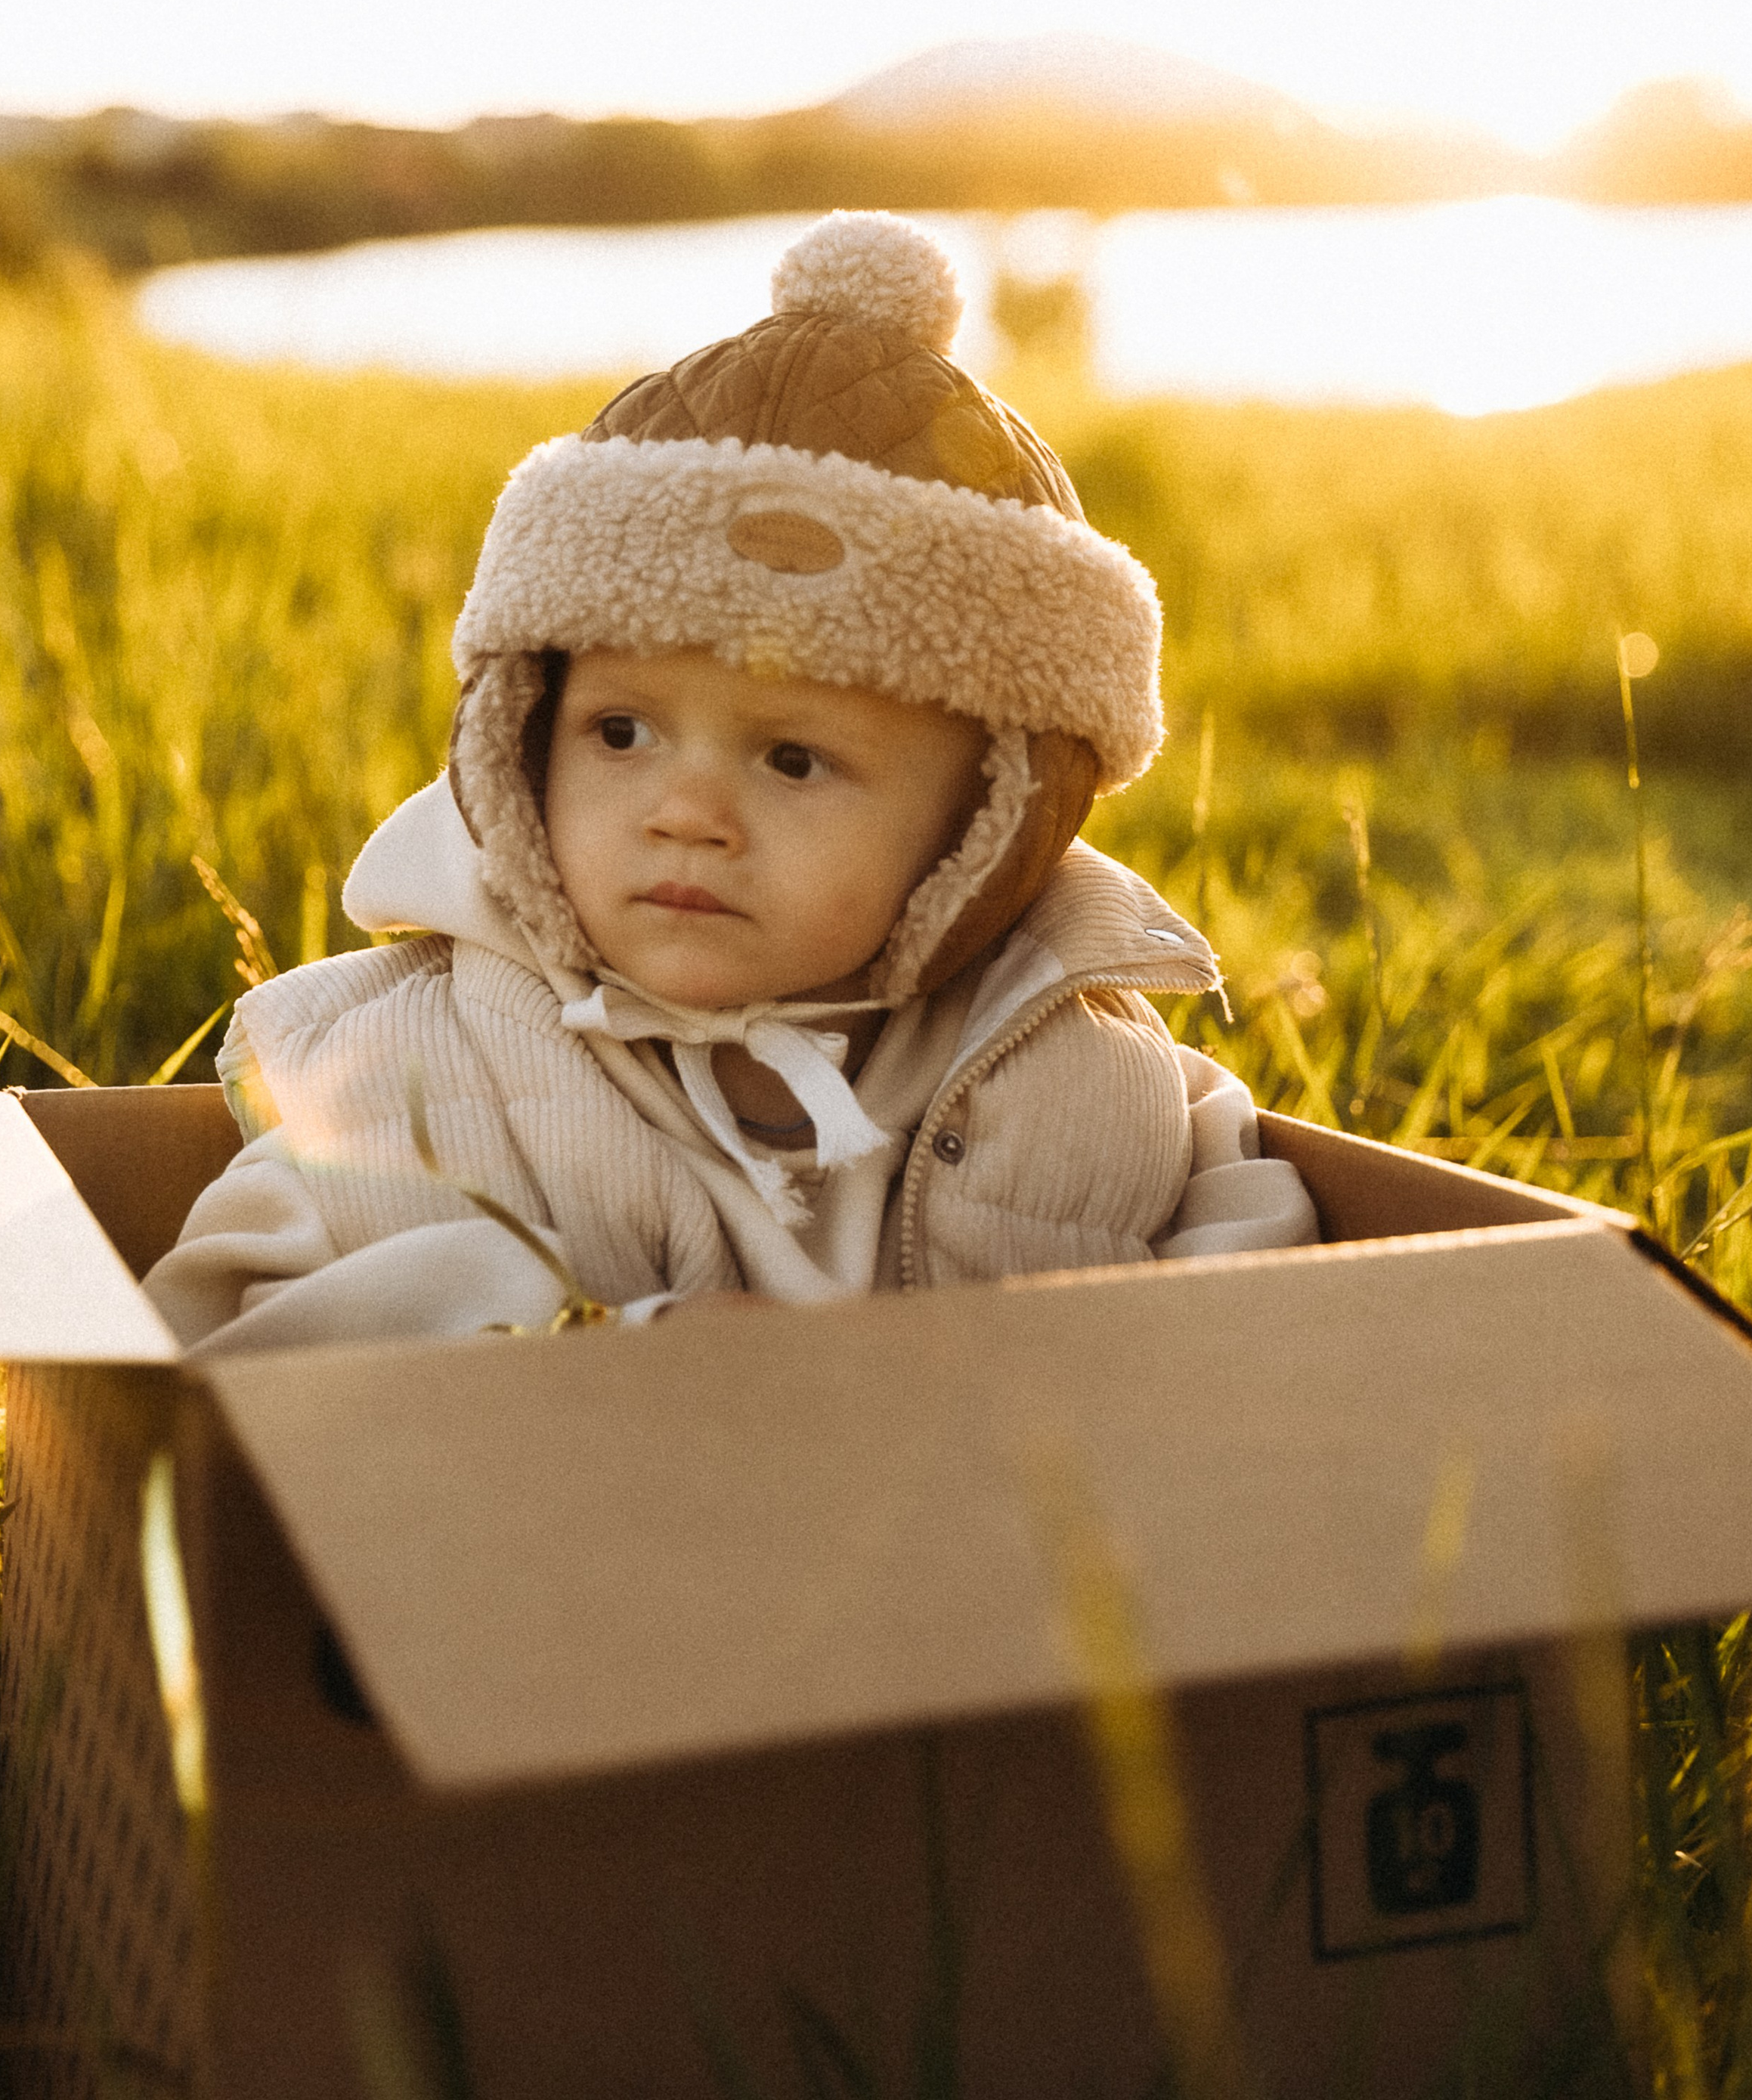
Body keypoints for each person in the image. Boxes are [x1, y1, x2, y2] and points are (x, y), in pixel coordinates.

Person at [144, 214, 1315, 1353]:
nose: (686, 814)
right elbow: (221, 1338)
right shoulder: (396, 1072)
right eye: (619, 733)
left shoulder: (1099, 1074)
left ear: (984, 833)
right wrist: (585, 1344)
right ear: (520, 743)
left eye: (793, 759)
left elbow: (1291, 1341)